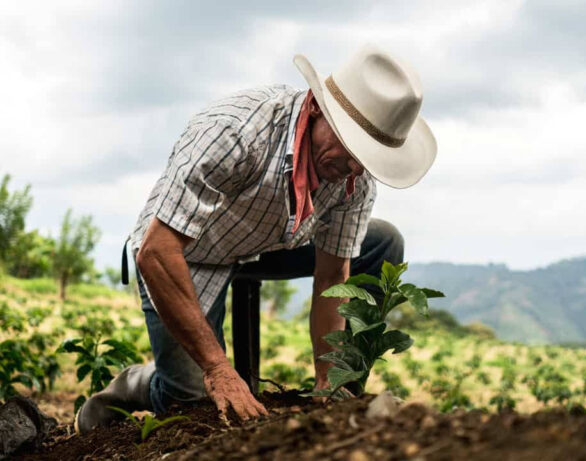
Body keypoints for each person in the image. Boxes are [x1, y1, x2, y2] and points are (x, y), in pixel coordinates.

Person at [75, 43, 437, 433]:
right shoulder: (235, 133)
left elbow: (333, 277)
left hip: (268, 242)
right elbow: (157, 251)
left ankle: (345, 390)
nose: (354, 168)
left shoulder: (353, 177)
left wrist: (328, 383)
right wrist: (217, 368)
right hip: (187, 251)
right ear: (317, 108)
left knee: (383, 242)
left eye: (366, 158)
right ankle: (137, 383)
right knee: (192, 400)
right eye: (351, 148)